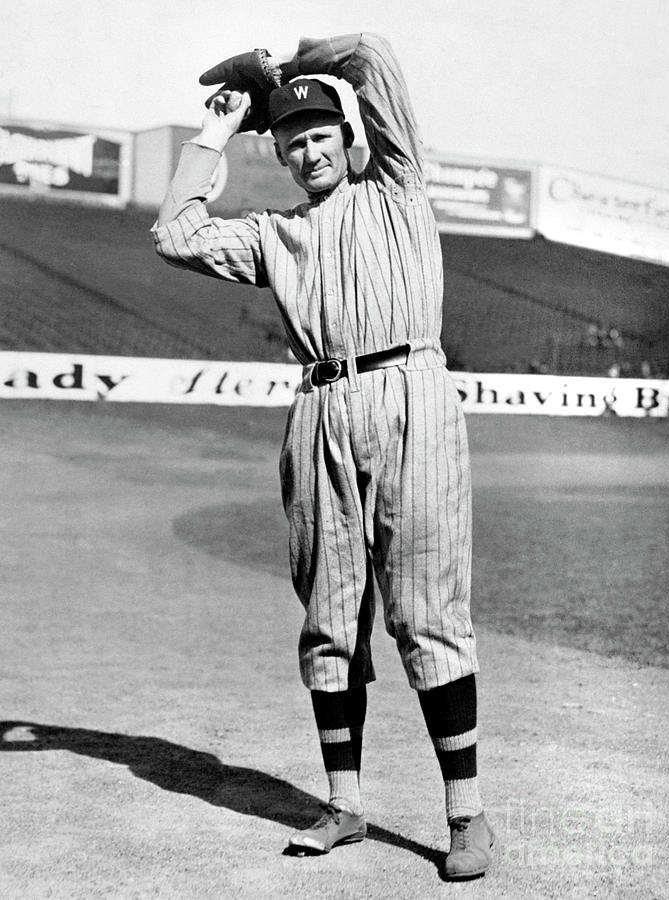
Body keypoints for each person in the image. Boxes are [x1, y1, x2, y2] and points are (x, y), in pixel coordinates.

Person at [152, 33, 495, 880]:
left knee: (425, 613)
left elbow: (372, 59)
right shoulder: (276, 235)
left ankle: (468, 818)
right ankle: (344, 805)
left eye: (321, 134)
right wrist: (220, 131)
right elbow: (174, 232)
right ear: (282, 154)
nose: (309, 149)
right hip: (320, 409)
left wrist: (292, 65)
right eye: (293, 140)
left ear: (350, 139)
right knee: (329, 622)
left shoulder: (397, 189)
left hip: (410, 394)